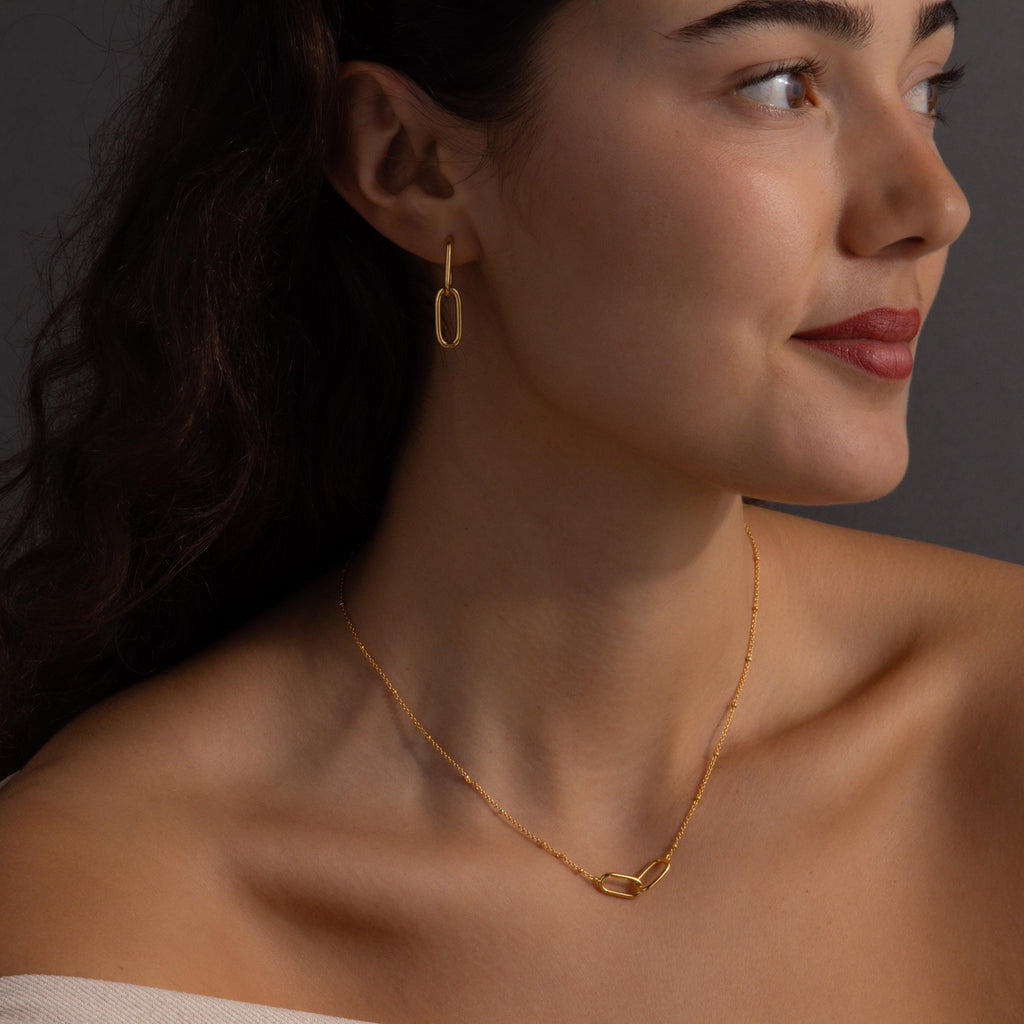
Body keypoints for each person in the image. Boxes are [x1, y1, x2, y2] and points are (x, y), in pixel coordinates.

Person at [0, 0, 1021, 1020]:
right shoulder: (96, 914)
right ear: (414, 164)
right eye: (777, 86)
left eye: (925, 85)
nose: (932, 203)